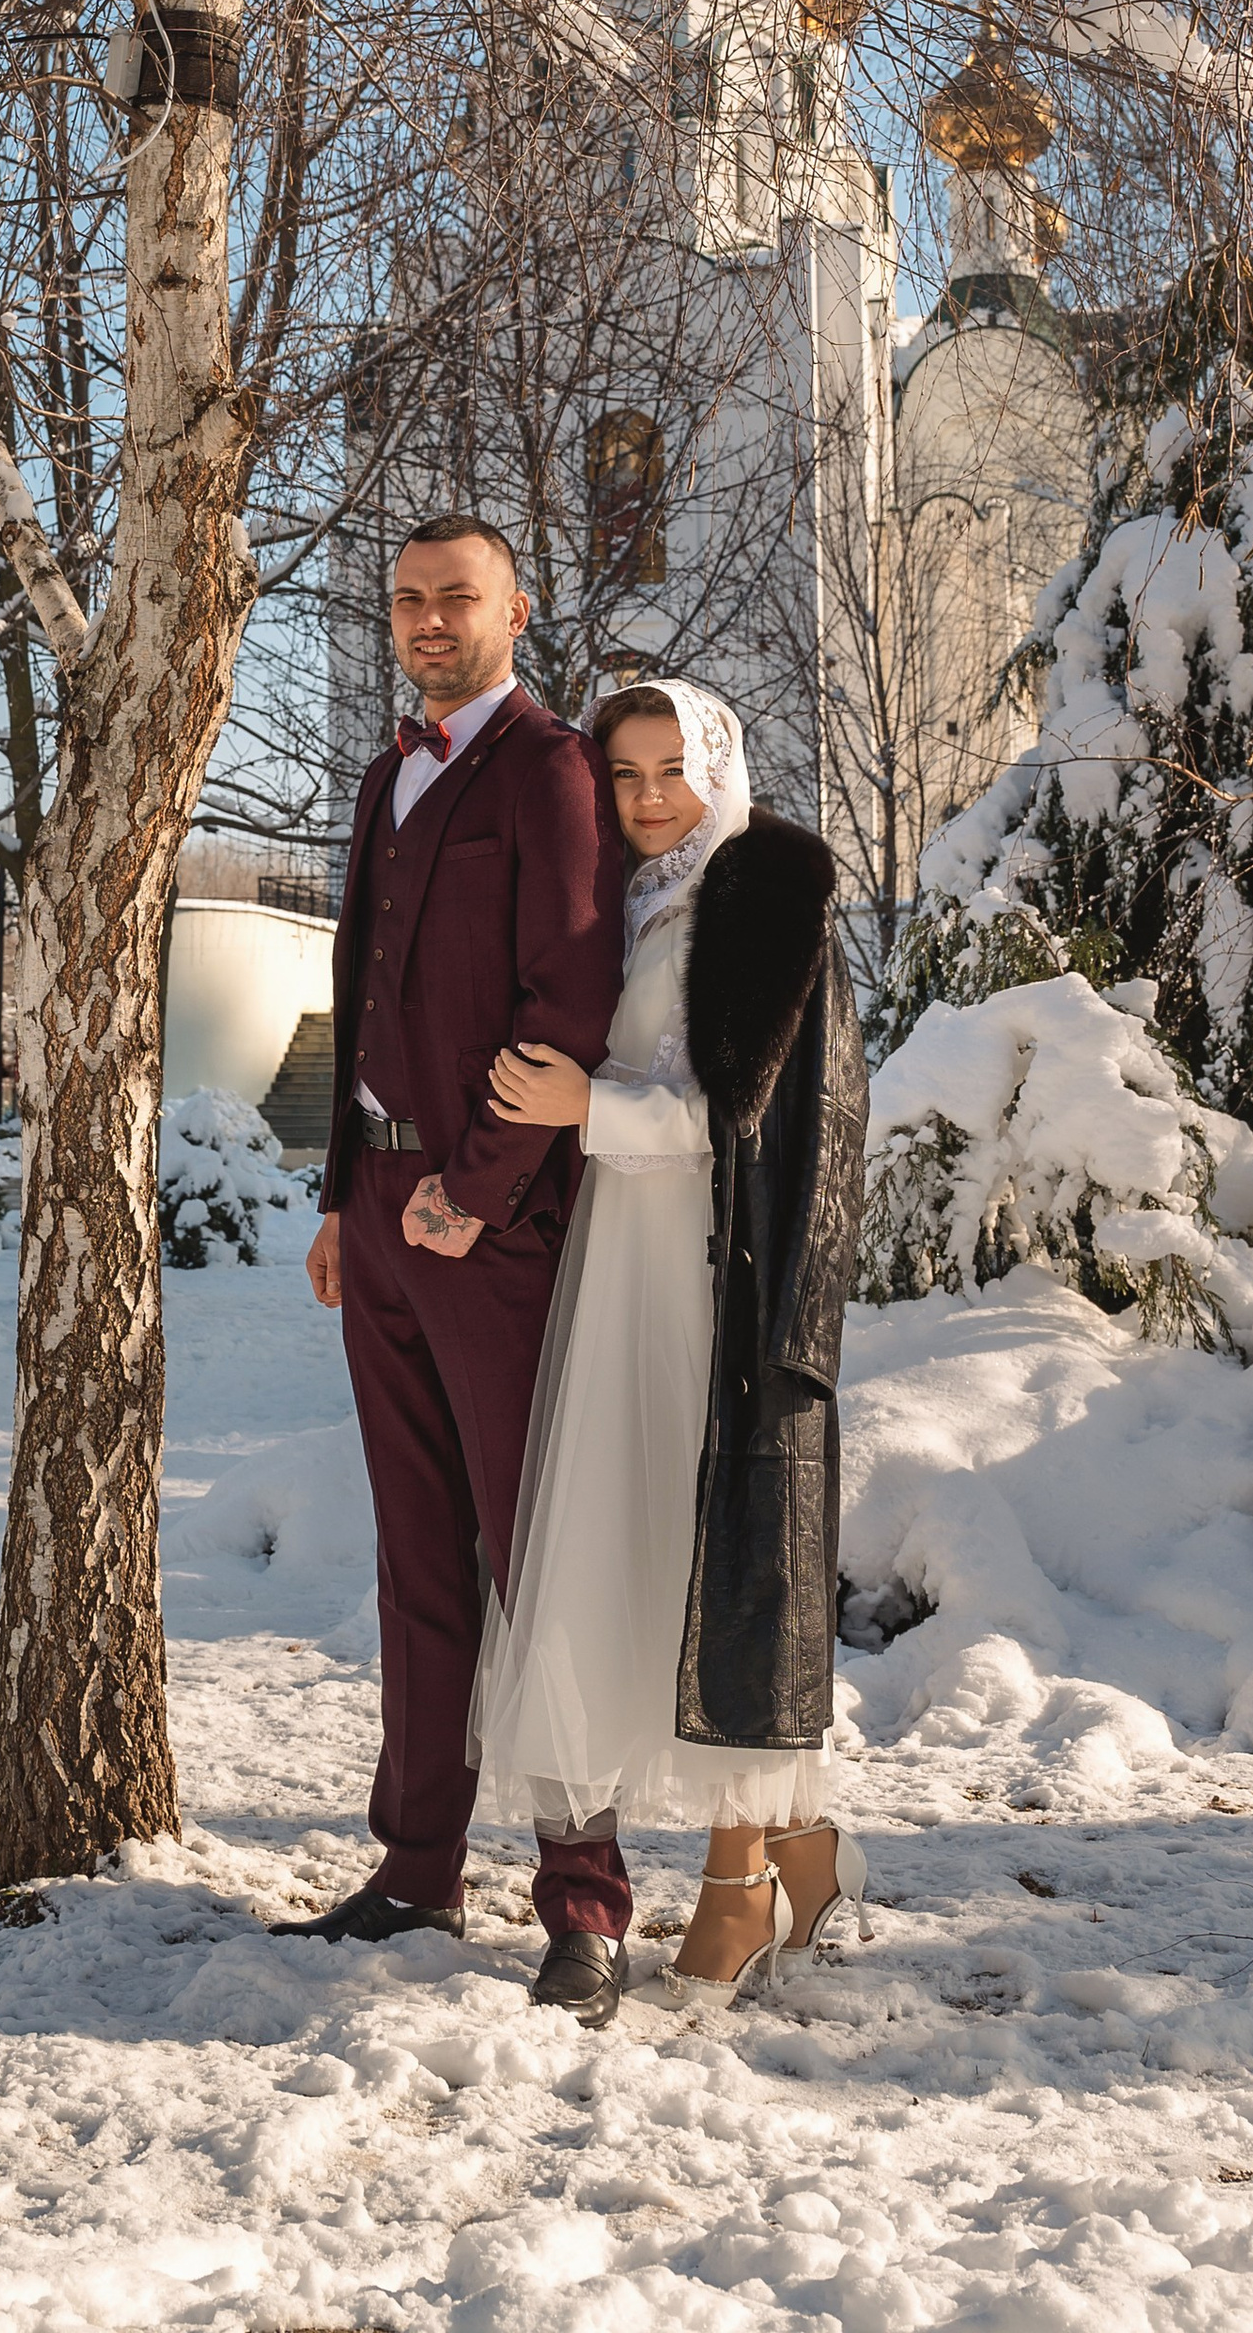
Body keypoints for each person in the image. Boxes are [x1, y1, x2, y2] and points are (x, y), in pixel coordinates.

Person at [272, 515, 629, 2015]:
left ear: (515, 612)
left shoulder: (551, 773)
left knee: (533, 1557)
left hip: (497, 1220)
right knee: (416, 1567)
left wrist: (475, 1194)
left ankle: (585, 1902)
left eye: (456, 599)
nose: (428, 620)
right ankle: (418, 1866)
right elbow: (355, 1000)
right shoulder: (383, 776)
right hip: (388, 1210)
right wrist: (349, 1198)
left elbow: (570, 997)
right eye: (409, 601)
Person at [475, 677, 870, 2023]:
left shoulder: (763, 898)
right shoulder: (637, 901)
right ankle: (804, 1858)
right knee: (638, 1554)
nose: (649, 800)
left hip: (709, 1274)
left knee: (723, 1559)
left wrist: (593, 1102)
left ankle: (744, 1877)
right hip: (618, 1265)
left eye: (671, 771)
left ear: (720, 764)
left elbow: (739, 1122)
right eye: (626, 775)